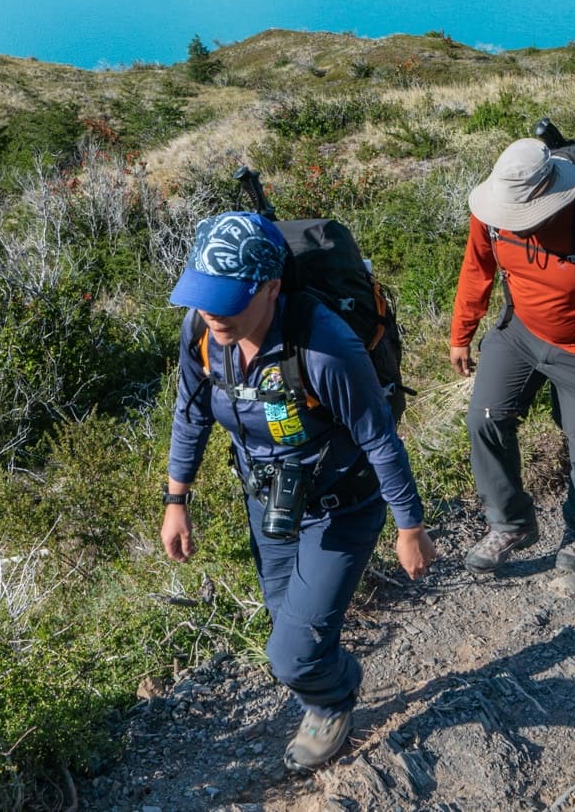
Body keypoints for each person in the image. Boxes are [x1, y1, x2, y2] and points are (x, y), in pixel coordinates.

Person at [161, 211, 436, 774]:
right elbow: (189, 417)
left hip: (342, 507)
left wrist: (410, 526)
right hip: (270, 502)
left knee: (289, 655)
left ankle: (333, 698)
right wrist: (176, 501)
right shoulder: (202, 333)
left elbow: (379, 439)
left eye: (227, 297)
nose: (212, 309)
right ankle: (322, 679)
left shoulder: (324, 346)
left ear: (271, 287)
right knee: (286, 617)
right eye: (204, 294)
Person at [449, 138, 575, 577]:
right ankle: (512, 524)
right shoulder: (491, 216)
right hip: (519, 333)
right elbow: (476, 270)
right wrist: (461, 333)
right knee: (484, 418)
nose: (515, 224)